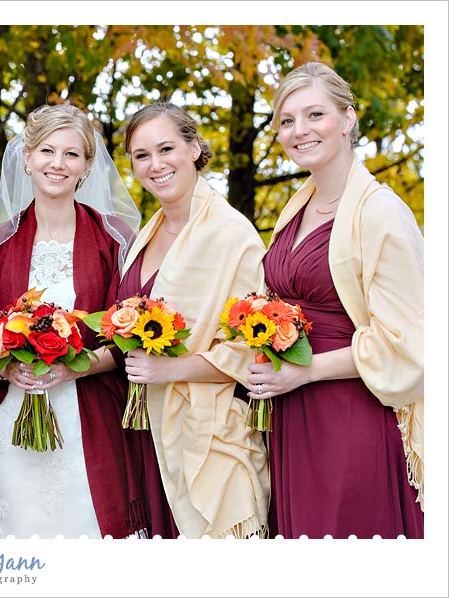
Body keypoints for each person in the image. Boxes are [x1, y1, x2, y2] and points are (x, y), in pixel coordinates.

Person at [247, 62, 423, 538]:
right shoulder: (295, 210)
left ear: (347, 119)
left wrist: (305, 372)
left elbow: (406, 343)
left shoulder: (381, 211)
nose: (299, 130)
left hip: (351, 411)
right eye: (287, 121)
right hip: (291, 414)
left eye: (314, 115)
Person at [0, 103, 145, 539]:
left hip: (88, 417)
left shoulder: (115, 238)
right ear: (27, 157)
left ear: (87, 167)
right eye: (47, 151)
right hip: (14, 415)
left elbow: (128, 336)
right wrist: (6, 363)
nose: (58, 164)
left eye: (72, 154)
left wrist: (77, 365)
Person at [117, 102, 270, 538]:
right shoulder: (147, 233)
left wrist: (168, 369)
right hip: (149, 428)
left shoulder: (232, 233)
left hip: (209, 434)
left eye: (166, 148)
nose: (155, 164)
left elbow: (247, 348)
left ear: (195, 147)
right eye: (141, 155)